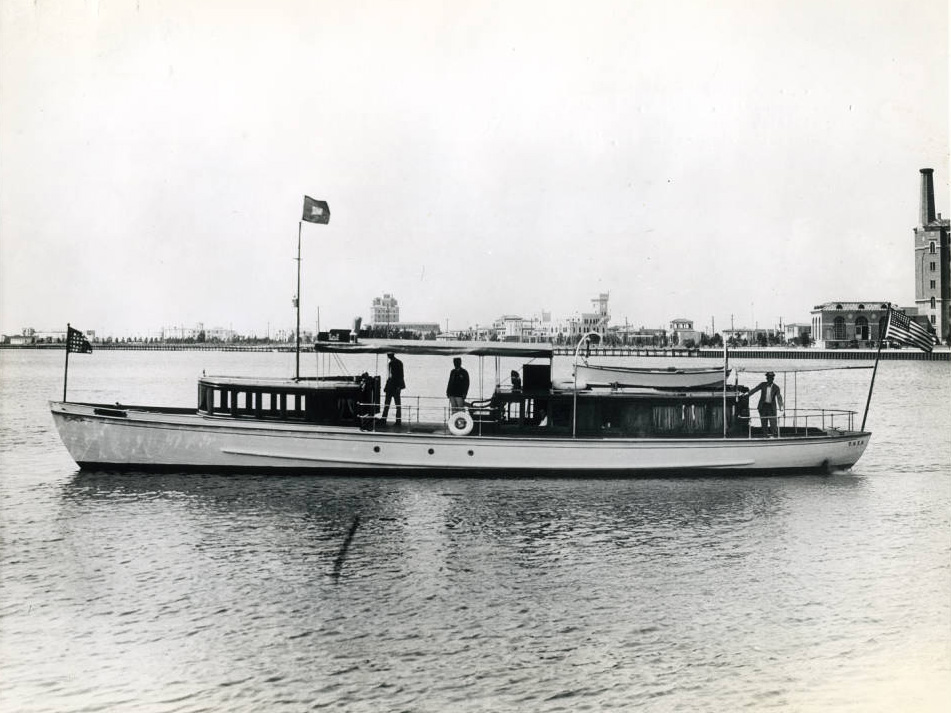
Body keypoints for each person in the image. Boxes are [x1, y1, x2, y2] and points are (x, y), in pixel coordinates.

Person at [746, 371, 783, 437]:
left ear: (773, 379)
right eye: (768, 378)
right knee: (763, 421)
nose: (769, 379)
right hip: (763, 406)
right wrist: (747, 394)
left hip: (771, 407)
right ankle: (765, 435)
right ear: (766, 378)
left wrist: (781, 406)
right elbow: (755, 390)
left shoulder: (776, 387)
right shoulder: (762, 384)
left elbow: (779, 397)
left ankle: (775, 435)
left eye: (771, 378)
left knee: (773, 422)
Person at [380, 352, 405, 425]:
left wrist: (387, 386)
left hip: (392, 387)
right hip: (395, 387)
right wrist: (400, 386)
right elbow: (401, 376)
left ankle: (384, 419)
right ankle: (398, 420)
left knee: (387, 404)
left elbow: (391, 376)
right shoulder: (399, 362)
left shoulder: (392, 364)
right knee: (397, 405)